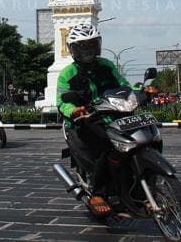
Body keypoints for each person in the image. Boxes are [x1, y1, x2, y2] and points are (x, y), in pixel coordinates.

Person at [57, 24, 129, 217]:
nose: (87, 50)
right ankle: (98, 194)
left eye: (91, 45)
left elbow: (123, 86)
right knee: (106, 147)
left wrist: (139, 92)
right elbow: (62, 102)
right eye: (82, 46)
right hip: (84, 121)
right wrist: (74, 111)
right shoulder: (67, 74)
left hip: (112, 116)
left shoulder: (107, 66)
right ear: (73, 49)